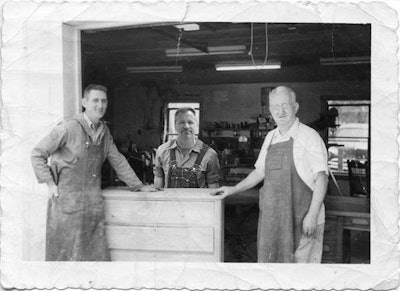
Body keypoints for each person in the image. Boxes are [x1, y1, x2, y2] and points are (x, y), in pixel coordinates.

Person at [31, 84, 156, 261]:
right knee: (64, 261)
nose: (100, 105)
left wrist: (138, 185)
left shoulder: (104, 132)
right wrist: (50, 183)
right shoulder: (68, 127)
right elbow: (37, 153)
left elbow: (117, 160)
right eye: (95, 100)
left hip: (92, 206)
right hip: (66, 206)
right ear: (84, 102)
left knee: (93, 261)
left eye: (104, 101)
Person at [211, 86, 329, 263]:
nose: (280, 111)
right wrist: (233, 189)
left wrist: (312, 215)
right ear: (270, 110)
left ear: (295, 107)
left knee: (300, 273)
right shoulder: (271, 137)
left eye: (285, 106)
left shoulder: (309, 136)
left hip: (303, 217)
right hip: (274, 220)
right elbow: (260, 171)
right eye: (275, 107)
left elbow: (322, 177)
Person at [154, 107, 220, 188]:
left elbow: (213, 191)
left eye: (190, 122)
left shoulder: (210, 155)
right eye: (181, 122)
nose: (186, 126)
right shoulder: (162, 151)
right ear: (175, 125)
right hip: (170, 200)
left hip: (199, 201)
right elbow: (158, 189)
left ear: (197, 126)